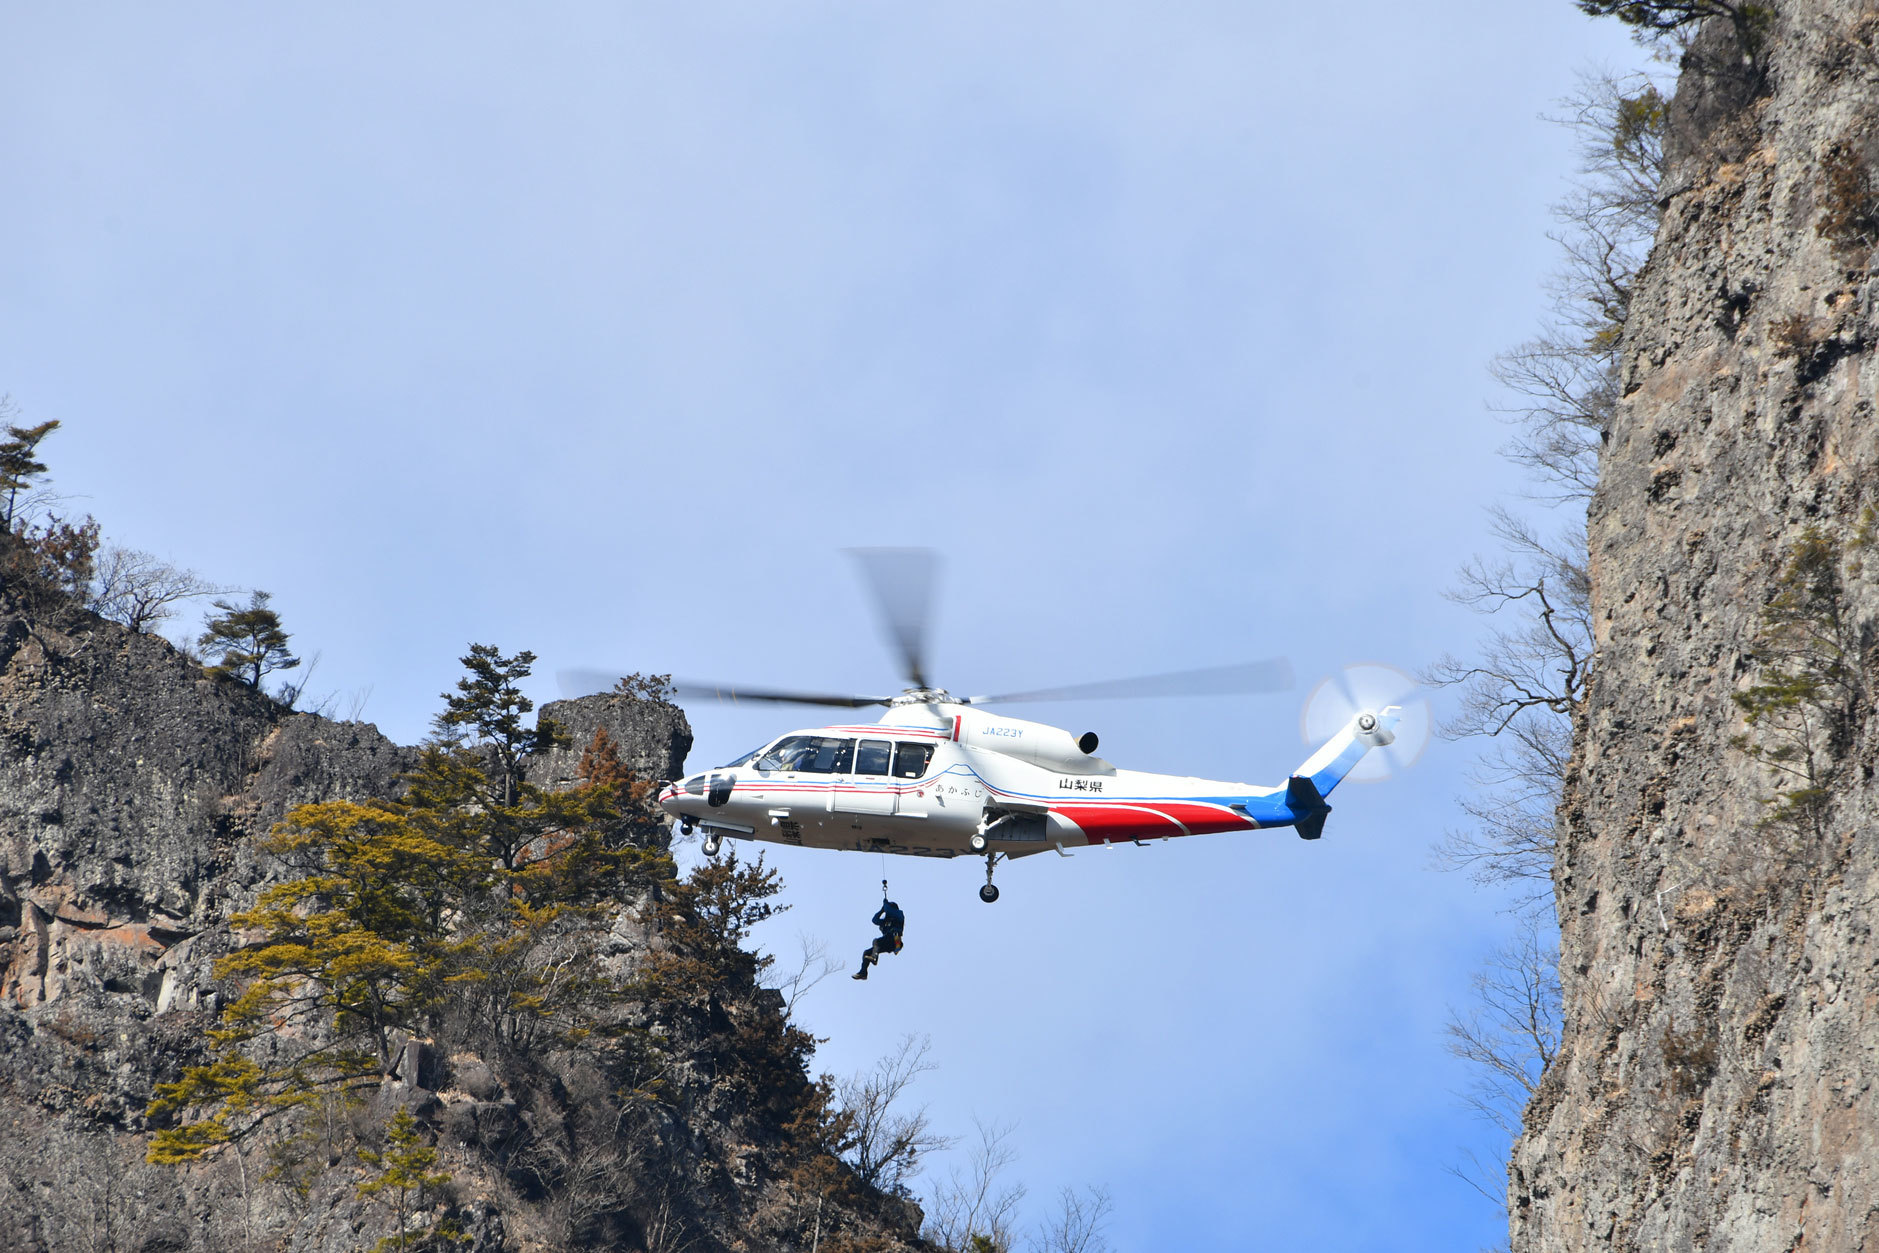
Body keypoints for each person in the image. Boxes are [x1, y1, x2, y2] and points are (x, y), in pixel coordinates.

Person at [852, 894, 905, 980]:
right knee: (866, 952)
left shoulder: (899, 915)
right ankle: (863, 973)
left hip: (895, 939)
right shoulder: (886, 922)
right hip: (889, 943)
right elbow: (875, 920)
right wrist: (881, 910)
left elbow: (889, 909)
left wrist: (885, 904)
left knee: (876, 941)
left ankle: (874, 957)